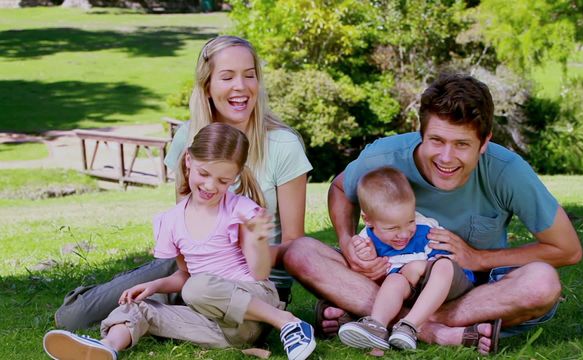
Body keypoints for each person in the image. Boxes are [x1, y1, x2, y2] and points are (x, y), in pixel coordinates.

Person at [284, 73, 582, 353]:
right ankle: (435, 332)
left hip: (469, 292)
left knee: (542, 283)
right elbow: (339, 189)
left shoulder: (507, 171)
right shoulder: (384, 156)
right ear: (421, 133)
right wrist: (348, 243)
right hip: (385, 278)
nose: (446, 157)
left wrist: (480, 258)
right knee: (300, 252)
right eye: (437, 140)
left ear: (484, 142)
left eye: (462, 144)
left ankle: (375, 319)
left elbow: (567, 249)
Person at [55, 35, 313, 330]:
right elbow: (187, 228)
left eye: (249, 75)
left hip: (254, 280)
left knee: (195, 299)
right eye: (227, 77)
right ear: (207, 86)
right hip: (193, 269)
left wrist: (250, 247)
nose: (241, 86)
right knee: (73, 317)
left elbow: (295, 244)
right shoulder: (187, 138)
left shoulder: (282, 144)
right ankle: (108, 301)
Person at [43, 123, 316, 360]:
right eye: (204, 174)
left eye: (222, 180)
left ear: (235, 176)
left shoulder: (240, 210)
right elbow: (185, 275)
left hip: (255, 310)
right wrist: (153, 285)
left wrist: (257, 239)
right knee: (138, 306)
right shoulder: (169, 221)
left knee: (198, 287)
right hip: (216, 327)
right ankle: (106, 348)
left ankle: (288, 323)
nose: (211, 186)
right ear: (188, 161)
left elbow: (259, 274)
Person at [337, 167, 493, 352]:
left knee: (442, 265)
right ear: (368, 220)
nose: (404, 234)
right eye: (392, 228)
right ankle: (376, 328)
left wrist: (420, 266)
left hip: (448, 285)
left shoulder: (426, 229)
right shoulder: (366, 241)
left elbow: (450, 262)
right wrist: (370, 261)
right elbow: (372, 281)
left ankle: (410, 326)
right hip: (410, 292)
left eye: (409, 221)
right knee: (394, 280)